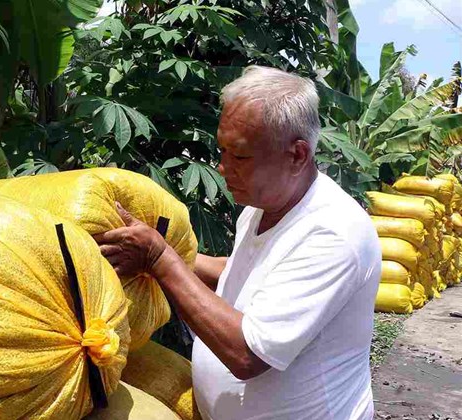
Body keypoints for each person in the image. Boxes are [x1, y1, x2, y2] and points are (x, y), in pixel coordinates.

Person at [94, 65, 382, 419]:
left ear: (297, 155)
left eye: (240, 156)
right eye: (222, 150)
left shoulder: (334, 233)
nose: (223, 166)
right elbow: (251, 275)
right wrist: (180, 256)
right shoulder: (264, 205)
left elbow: (248, 354)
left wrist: (159, 257)